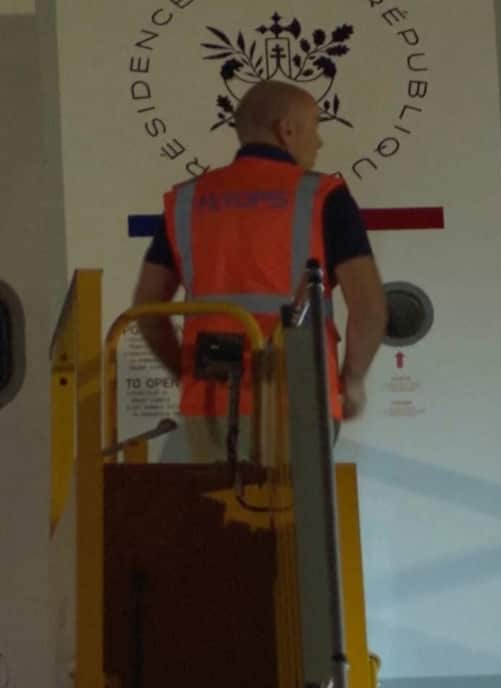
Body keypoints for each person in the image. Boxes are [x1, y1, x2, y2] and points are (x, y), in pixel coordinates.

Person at [132, 79, 387, 461]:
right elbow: (368, 307)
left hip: (211, 406)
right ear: (287, 129)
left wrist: (187, 374)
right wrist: (351, 381)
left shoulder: (188, 200)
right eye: (315, 127)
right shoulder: (324, 196)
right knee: (298, 520)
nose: (318, 143)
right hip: (300, 398)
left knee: (220, 516)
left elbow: (148, 310)